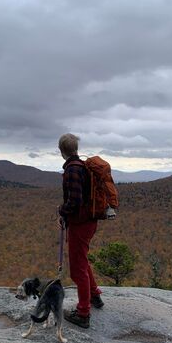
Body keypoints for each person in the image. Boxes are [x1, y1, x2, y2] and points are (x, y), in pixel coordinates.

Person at [57, 133, 104, 328]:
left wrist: (62, 211)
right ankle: (94, 296)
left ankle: (83, 313)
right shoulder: (83, 166)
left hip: (80, 224)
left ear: (62, 151)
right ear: (75, 149)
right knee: (82, 260)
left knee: (78, 269)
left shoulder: (73, 170)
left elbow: (74, 201)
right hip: (89, 221)